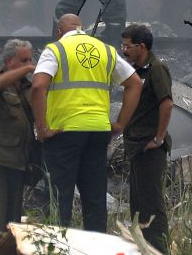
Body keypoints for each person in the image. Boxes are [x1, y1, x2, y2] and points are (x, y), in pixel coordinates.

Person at [29, 13, 142, 233]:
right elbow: (135, 83)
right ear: (81, 28)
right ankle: (96, 251)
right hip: (99, 131)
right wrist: (120, 123)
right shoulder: (105, 50)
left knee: (59, 196)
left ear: (59, 32)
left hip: (65, 131)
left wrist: (42, 128)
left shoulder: (56, 49)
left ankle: (58, 250)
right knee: (94, 196)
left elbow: (37, 86)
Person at [119, 24, 173, 254]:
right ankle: (144, 252)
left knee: (152, 203)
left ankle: (161, 253)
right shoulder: (135, 72)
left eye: (127, 46)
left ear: (142, 46)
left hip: (150, 147)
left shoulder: (157, 70)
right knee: (138, 203)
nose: (123, 51)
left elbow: (167, 103)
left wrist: (159, 138)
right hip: (136, 147)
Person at [0, 39, 36, 239]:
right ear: (9, 61)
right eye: (24, 60)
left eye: (31, 59)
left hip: (19, 161)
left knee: (13, 221)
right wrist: (29, 68)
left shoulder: (29, 87)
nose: (29, 63)